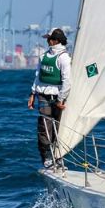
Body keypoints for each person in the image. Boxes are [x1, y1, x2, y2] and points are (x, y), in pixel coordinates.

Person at [27, 28, 71, 168]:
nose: (47, 41)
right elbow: (38, 77)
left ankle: (57, 157)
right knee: (44, 126)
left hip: (58, 98)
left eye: (49, 39)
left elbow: (67, 81)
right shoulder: (43, 56)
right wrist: (32, 94)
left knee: (58, 127)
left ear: (55, 40)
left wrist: (60, 100)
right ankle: (46, 156)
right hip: (43, 96)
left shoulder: (64, 58)